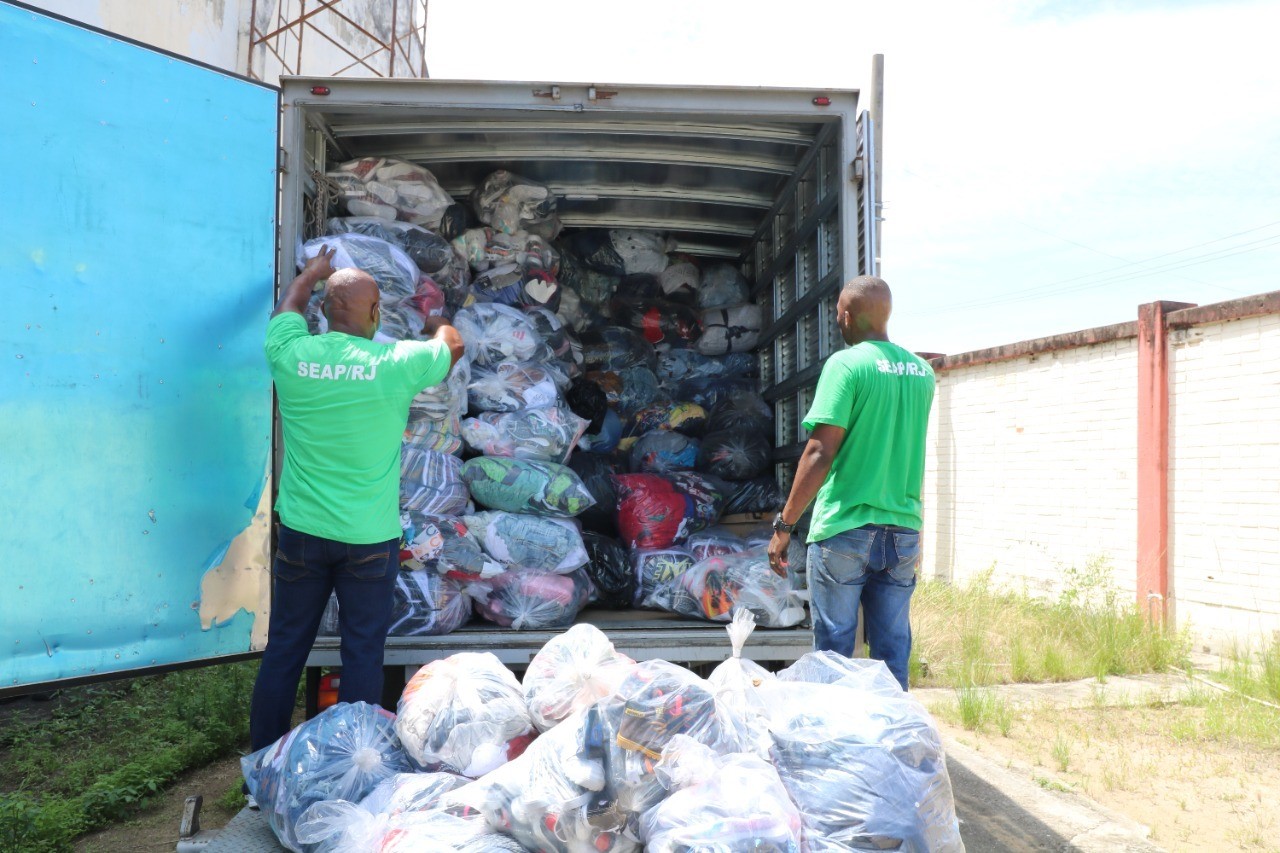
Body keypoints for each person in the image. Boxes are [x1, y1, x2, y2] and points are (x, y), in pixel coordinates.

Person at [249, 246, 465, 751]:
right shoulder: (395, 363)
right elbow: (452, 345)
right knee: (363, 652)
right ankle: (352, 766)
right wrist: (434, 317)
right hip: (370, 540)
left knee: (284, 649)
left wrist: (309, 277)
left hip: (302, 535)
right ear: (373, 315)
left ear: (323, 313)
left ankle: (261, 765)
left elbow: (286, 311)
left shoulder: (291, 354)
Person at [767, 275, 934, 690]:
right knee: (892, 648)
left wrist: (785, 526)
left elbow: (820, 453)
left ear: (847, 315)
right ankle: (890, 742)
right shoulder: (922, 372)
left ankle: (835, 745)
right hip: (903, 531)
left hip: (845, 529)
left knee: (835, 651)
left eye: (838, 313)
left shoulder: (846, 365)